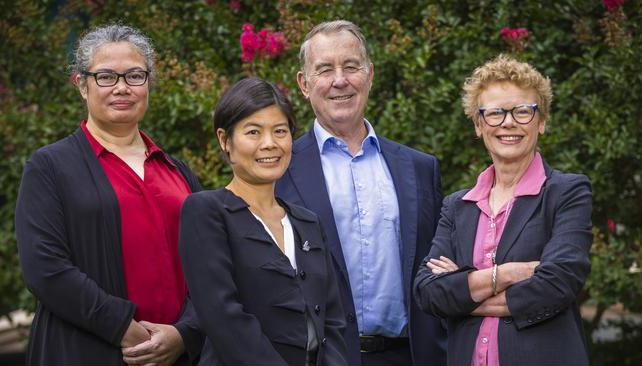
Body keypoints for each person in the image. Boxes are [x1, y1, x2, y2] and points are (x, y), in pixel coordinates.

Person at [15, 24, 203, 365]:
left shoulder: (176, 171)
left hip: (179, 356)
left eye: (134, 75)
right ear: (81, 85)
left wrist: (183, 333)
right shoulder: (50, 168)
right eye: (105, 77)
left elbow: (212, 263)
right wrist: (124, 328)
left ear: (148, 84)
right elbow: (45, 269)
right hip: (89, 352)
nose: (121, 87)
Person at [275, 20, 447, 366]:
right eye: (324, 69)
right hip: (319, 357)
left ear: (369, 74)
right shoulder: (279, 170)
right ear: (304, 84)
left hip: (410, 356)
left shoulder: (419, 168)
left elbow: (436, 270)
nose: (340, 80)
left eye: (351, 66)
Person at [413, 54, 593, 366]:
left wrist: (464, 294)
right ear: (479, 125)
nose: (508, 122)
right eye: (495, 113)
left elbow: (558, 283)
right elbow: (429, 292)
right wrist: (507, 274)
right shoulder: (458, 206)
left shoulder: (567, 192)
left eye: (523, 111)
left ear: (542, 121)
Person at [178, 77, 347, 366]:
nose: (270, 144)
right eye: (253, 132)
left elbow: (332, 322)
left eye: (280, 131)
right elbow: (223, 317)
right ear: (224, 140)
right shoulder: (206, 212)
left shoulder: (308, 223)